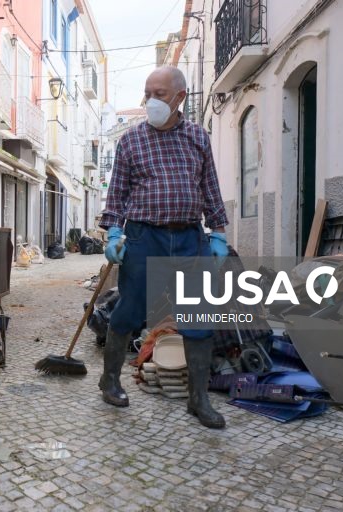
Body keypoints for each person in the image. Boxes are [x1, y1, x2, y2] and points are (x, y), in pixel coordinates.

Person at [98, 66, 230, 429]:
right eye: (148, 93)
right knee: (130, 309)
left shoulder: (198, 138)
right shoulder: (131, 141)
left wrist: (218, 234)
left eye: (160, 94)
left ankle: (198, 399)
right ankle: (109, 379)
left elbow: (211, 190)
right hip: (144, 237)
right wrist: (112, 234)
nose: (152, 101)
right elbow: (117, 198)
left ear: (180, 97)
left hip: (190, 238)